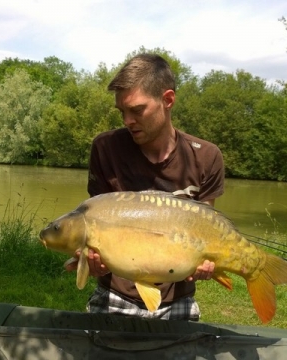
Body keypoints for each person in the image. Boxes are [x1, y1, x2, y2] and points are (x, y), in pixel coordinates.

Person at [66, 53, 225, 321]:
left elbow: (206, 231)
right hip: (116, 296)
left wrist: (208, 263)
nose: (127, 120)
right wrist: (91, 261)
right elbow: (95, 225)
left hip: (178, 298)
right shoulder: (106, 149)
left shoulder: (206, 157)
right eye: (122, 112)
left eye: (137, 110)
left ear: (168, 100)